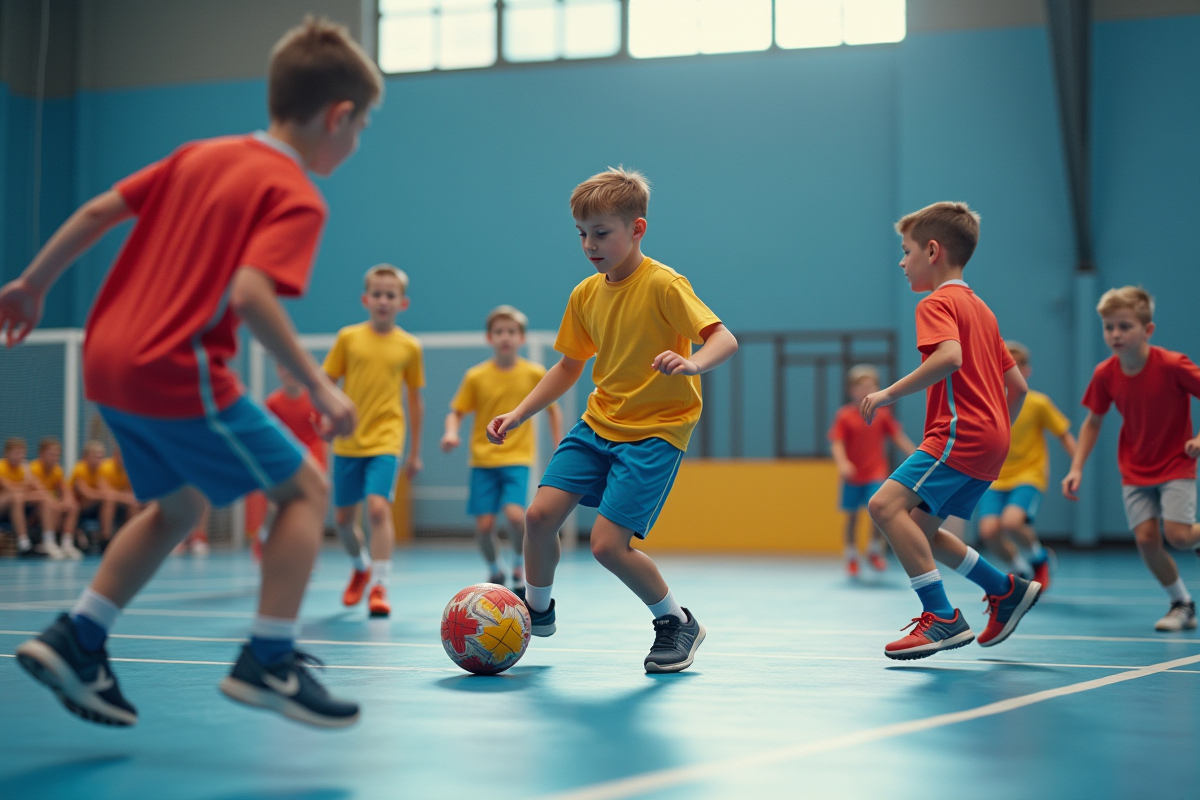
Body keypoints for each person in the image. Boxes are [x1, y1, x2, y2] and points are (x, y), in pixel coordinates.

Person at [2, 17, 380, 728]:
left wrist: (31, 283)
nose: (356, 142)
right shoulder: (296, 194)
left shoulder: (197, 155)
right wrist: (319, 384)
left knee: (178, 506)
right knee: (305, 490)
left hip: (106, 359)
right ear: (338, 116)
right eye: (361, 127)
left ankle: (79, 638)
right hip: (176, 364)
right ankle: (269, 658)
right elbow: (249, 294)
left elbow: (95, 211)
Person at [487, 167, 739, 673]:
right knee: (538, 518)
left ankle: (676, 621)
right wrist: (518, 413)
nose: (590, 245)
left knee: (606, 546)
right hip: (599, 423)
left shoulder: (665, 285)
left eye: (602, 233)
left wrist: (693, 362)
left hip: (655, 431)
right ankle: (538, 610)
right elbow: (567, 367)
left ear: (637, 229)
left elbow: (723, 339)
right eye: (582, 234)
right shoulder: (585, 294)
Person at [862, 201, 1039, 660]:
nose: (902, 262)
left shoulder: (937, 301)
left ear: (933, 251)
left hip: (960, 433)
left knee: (883, 505)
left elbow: (949, 359)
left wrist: (888, 394)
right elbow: (1016, 386)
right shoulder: (981, 309)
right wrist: (996, 429)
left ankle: (940, 616)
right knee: (920, 528)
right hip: (991, 439)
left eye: (906, 251)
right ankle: (1004, 589)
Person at [1062, 286, 1200, 632]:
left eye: (1125, 326)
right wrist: (1076, 466)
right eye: (1109, 327)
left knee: (1181, 537)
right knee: (1146, 541)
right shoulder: (1105, 373)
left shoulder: (1172, 365)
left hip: (1175, 462)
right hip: (1135, 468)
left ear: (1147, 330)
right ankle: (1181, 603)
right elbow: (1093, 420)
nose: (1116, 334)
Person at [324, 264, 425, 619]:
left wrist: (414, 452)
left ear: (403, 303)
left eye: (390, 295)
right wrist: (326, 417)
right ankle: (360, 566)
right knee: (342, 520)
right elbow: (327, 381)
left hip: (386, 438)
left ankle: (379, 586)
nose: (383, 300)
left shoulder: (409, 346)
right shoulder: (348, 338)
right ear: (366, 299)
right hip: (349, 440)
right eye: (377, 294)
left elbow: (415, 400)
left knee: (378, 509)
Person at [441, 305, 563, 588]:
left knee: (515, 516)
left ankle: (519, 564)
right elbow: (456, 411)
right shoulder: (476, 376)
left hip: (516, 459)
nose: (505, 337)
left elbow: (552, 410)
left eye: (511, 331)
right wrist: (451, 432)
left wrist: (559, 442)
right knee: (484, 528)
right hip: (483, 461)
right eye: (499, 332)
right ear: (489, 338)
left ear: (521, 338)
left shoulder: (534, 373)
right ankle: (495, 568)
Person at [977, 341, 1075, 589]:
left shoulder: (1038, 403)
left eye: (1016, 364)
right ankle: (1019, 567)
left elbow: (1063, 433)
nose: (1008, 368)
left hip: (1028, 475)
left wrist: (1077, 468)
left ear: (1026, 370)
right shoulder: (988, 405)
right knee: (989, 532)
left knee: (1012, 522)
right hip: (995, 478)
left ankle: (1040, 559)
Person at [828, 364, 916, 577]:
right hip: (853, 476)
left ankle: (874, 551)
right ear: (851, 390)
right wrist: (842, 463)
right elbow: (837, 442)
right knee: (851, 518)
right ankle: (850, 556)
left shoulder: (882, 415)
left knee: (878, 512)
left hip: (876, 473)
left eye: (871, 385)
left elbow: (897, 436)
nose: (866, 390)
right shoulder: (844, 416)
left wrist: (915, 454)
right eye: (861, 386)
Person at [251, 362, 329, 560]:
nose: (289, 373)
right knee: (275, 506)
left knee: (311, 507)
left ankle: (307, 556)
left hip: (311, 458)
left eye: (292, 369)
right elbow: (268, 436)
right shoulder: (274, 403)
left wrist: (323, 467)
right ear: (279, 372)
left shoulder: (314, 400)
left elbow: (322, 433)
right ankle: (263, 538)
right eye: (285, 369)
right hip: (285, 458)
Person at [0, 437, 53, 556]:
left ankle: (49, 541)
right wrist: (26, 485)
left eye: (22, 453)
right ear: (7, 453)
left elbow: (38, 488)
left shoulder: (25, 468)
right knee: (16, 496)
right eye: (16, 453)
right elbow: (10, 488)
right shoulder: (1, 466)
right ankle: (23, 543)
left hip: (17, 505)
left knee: (42, 498)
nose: (20, 456)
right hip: (2, 506)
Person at [31, 437, 82, 559]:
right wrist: (56, 503)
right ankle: (48, 542)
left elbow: (65, 490)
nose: (55, 457)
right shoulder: (33, 468)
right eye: (51, 454)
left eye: (57, 455)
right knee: (47, 503)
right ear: (41, 454)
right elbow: (40, 491)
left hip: (51, 506)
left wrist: (67, 501)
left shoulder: (57, 471)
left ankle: (67, 544)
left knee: (73, 506)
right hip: (33, 511)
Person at [98, 446, 143, 548]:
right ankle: (105, 539)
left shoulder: (128, 469)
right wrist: (126, 498)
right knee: (110, 500)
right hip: (100, 502)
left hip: (119, 502)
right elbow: (105, 492)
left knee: (135, 505)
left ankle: (132, 538)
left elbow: (132, 491)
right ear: (115, 455)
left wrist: (130, 498)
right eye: (121, 455)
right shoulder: (105, 467)